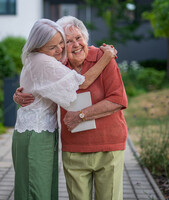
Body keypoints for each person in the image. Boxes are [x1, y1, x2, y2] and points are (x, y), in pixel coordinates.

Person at [15, 16, 128, 200]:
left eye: (78, 38)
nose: (75, 44)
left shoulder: (103, 58)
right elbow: (38, 81)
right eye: (67, 41)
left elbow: (117, 100)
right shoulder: (58, 64)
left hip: (109, 146)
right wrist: (18, 95)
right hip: (74, 148)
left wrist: (82, 115)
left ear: (86, 38)